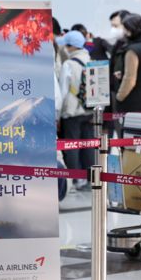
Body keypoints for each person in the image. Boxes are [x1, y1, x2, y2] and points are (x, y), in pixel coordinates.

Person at [58, 30, 95, 190]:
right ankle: (91, 178)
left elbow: (63, 91)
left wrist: (58, 114)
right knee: (88, 145)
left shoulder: (68, 64)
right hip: (89, 110)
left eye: (66, 45)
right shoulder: (91, 60)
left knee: (72, 146)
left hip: (72, 111)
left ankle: (76, 179)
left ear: (71, 46)